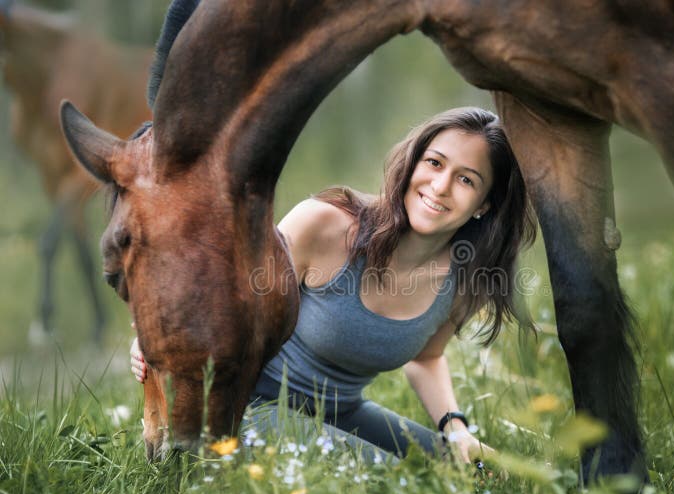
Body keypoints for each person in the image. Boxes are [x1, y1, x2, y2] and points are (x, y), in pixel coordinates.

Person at [131, 107, 535, 463]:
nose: (441, 185)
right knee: (402, 483)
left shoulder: (462, 278)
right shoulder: (325, 226)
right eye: (434, 163)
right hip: (245, 404)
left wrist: (456, 429)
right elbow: (226, 292)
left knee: (478, 472)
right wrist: (158, 336)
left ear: (485, 204)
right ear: (412, 164)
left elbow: (426, 358)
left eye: (466, 180)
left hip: (341, 411)